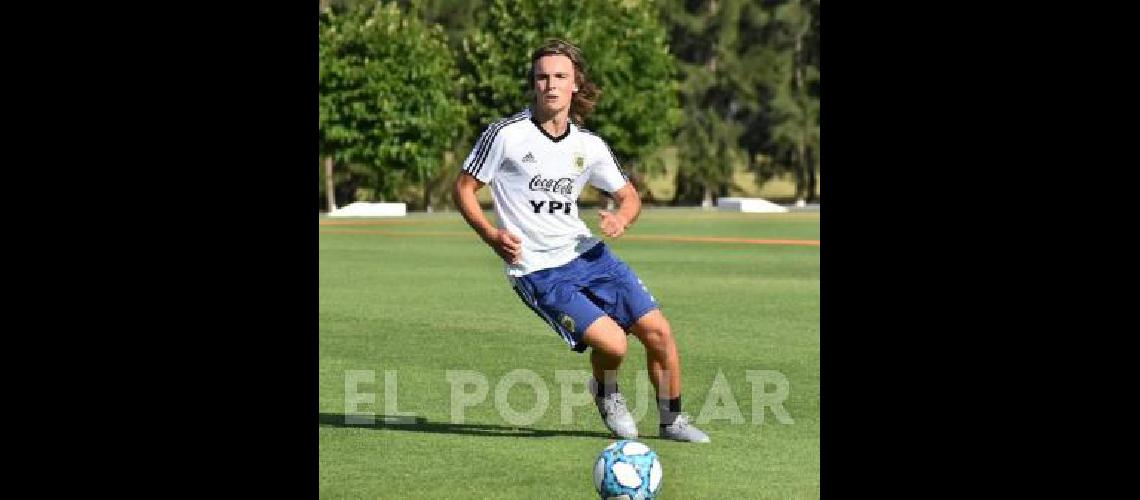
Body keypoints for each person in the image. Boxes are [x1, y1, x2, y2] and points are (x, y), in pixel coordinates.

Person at [453, 39, 709, 443]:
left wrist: (622, 218)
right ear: (533, 84)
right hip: (537, 268)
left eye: (560, 76)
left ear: (575, 84)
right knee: (613, 345)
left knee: (659, 331)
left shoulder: (588, 145)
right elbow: (464, 189)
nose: (550, 84)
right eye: (542, 77)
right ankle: (606, 393)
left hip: (587, 254)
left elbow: (628, 196)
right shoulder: (505, 135)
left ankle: (671, 420)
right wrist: (491, 236)